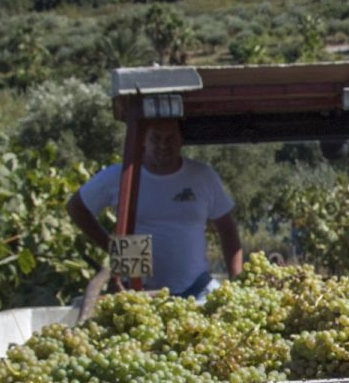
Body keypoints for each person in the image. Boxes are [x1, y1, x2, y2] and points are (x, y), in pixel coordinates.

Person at [66, 118, 244, 297]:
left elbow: (227, 229)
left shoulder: (202, 175)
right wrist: (113, 248)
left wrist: (237, 280)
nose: (163, 145)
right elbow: (76, 208)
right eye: (156, 138)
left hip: (196, 289)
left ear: (181, 140)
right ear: (143, 140)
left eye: (170, 138)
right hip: (137, 292)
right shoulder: (119, 176)